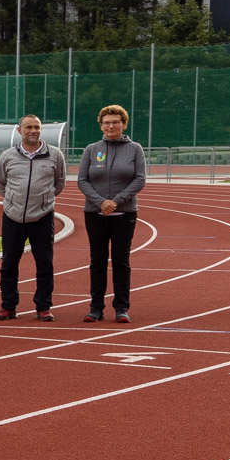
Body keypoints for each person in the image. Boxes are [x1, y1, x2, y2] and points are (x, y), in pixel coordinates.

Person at [0, 114, 66, 322]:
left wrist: (44, 201)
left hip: (42, 217)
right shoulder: (7, 156)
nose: (33, 131)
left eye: (36, 127)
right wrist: (13, 202)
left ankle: (43, 306)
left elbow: (59, 183)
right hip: (12, 217)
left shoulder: (54, 155)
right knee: (8, 264)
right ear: (19, 130)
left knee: (44, 264)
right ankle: (8, 306)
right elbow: (1, 184)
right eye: (28, 127)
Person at [78, 104, 147, 324]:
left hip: (124, 214)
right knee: (97, 261)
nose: (111, 126)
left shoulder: (135, 149)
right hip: (95, 214)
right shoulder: (91, 149)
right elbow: (82, 180)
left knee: (121, 261)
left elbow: (140, 179)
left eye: (116, 122)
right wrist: (101, 202)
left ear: (124, 124)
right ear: (101, 125)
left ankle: (121, 307)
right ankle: (95, 308)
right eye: (107, 122)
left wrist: (116, 201)